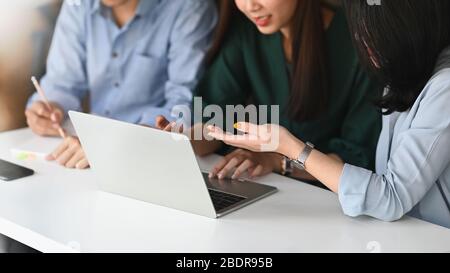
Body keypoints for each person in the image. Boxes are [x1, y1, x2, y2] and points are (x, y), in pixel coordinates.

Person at [207, 0, 450, 228]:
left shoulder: (443, 86)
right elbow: (212, 112)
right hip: (393, 230)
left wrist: (288, 149)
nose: (366, 44)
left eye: (376, 30)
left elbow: (390, 197)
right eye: (361, 31)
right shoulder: (402, 72)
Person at [157, 0, 381, 182]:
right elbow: (216, 119)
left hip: (330, 200)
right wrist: (182, 139)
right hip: (264, 183)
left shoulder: (359, 44)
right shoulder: (248, 32)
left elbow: (357, 156)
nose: (250, 5)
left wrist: (277, 161)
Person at [25, 0, 217, 169]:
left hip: (151, 157)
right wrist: (49, 108)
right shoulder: (78, 4)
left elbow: (184, 104)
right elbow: (62, 81)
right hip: (90, 151)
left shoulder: (190, 7)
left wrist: (119, 141)